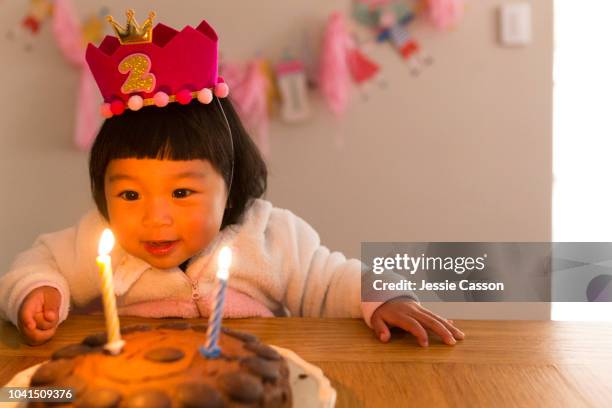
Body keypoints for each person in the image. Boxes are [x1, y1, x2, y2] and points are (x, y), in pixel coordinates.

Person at [0, 10, 464, 347]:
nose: (154, 218)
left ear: (229, 184)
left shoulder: (270, 237)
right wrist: (38, 292)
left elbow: (332, 280)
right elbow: (34, 265)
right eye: (129, 193)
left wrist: (383, 299)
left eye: (181, 192)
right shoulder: (97, 244)